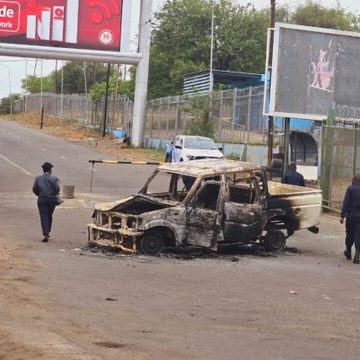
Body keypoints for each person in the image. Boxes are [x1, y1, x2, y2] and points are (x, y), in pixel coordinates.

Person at [32, 162, 60, 242]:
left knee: (44, 216)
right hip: (52, 200)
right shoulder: (54, 178)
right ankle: (48, 231)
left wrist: (39, 194)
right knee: (49, 215)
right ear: (50, 170)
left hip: (42, 199)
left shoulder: (38, 178)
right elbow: (57, 189)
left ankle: (46, 233)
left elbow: (34, 189)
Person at [340, 174, 360, 264]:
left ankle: (348, 251)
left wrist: (342, 215)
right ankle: (357, 254)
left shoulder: (350, 189)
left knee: (350, 234)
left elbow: (346, 203)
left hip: (351, 215)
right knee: (358, 235)